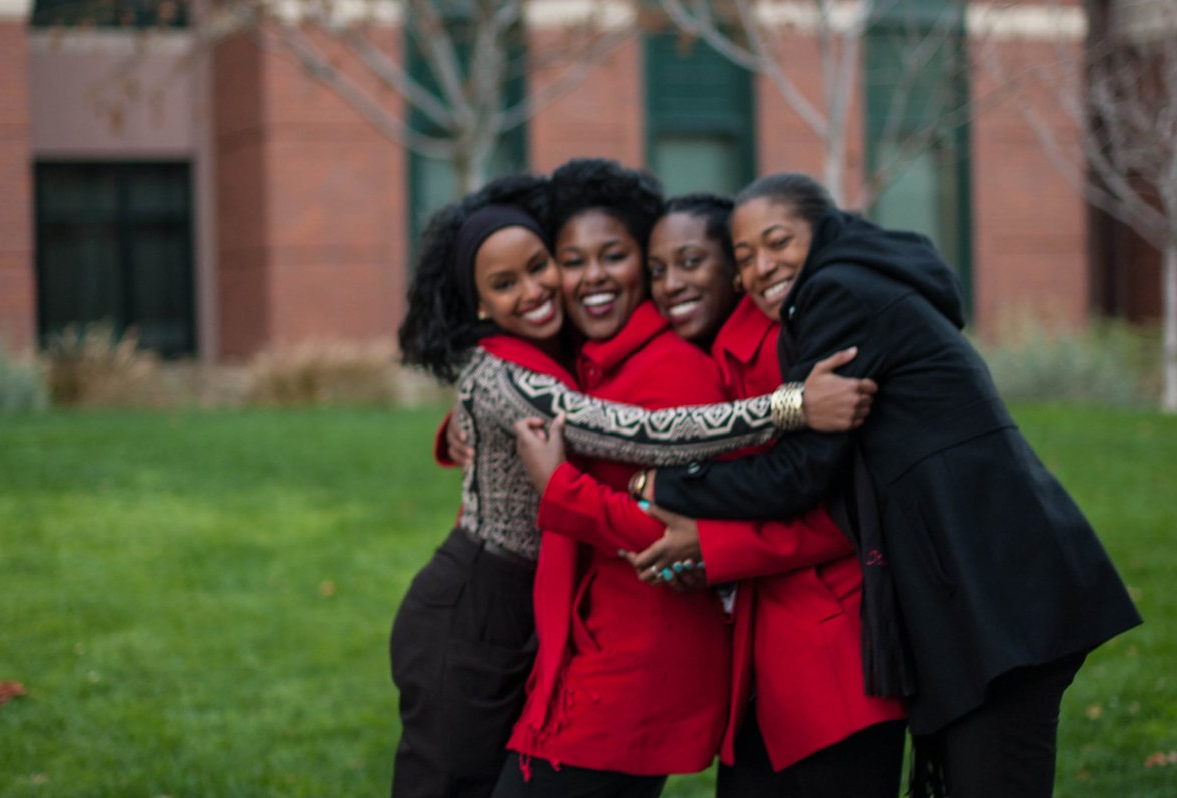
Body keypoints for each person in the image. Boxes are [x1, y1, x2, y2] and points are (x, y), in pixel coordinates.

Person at [631, 172, 1143, 798]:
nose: (762, 267)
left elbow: (798, 475)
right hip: (971, 597)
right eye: (746, 257)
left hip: (1001, 596)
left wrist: (664, 486)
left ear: (822, 230)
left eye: (778, 242)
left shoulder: (837, 294)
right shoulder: (856, 285)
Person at [391, 173, 868, 798]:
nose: (585, 277)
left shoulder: (669, 367)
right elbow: (526, 392)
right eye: (570, 261)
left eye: (614, 256)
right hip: (543, 636)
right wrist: (464, 426)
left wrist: (792, 405)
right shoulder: (584, 355)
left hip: (628, 665)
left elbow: (657, 459)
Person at [515, 192, 906, 797]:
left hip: (829, 657)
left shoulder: (788, 348)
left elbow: (842, 513)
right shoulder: (710, 353)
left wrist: (706, 543)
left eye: (693, 263)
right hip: (760, 663)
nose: (671, 285)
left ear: (732, 271)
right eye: (659, 269)